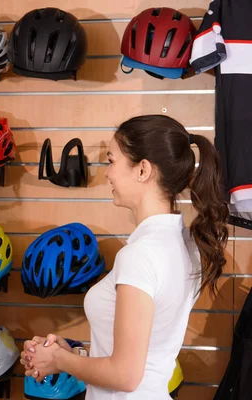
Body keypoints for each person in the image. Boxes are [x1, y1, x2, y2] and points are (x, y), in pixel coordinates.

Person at [20, 115, 229, 398]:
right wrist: (72, 354)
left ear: (142, 170)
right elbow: (143, 354)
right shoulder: (185, 244)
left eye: (111, 161)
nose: (107, 174)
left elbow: (125, 376)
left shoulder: (141, 255)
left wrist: (58, 360)